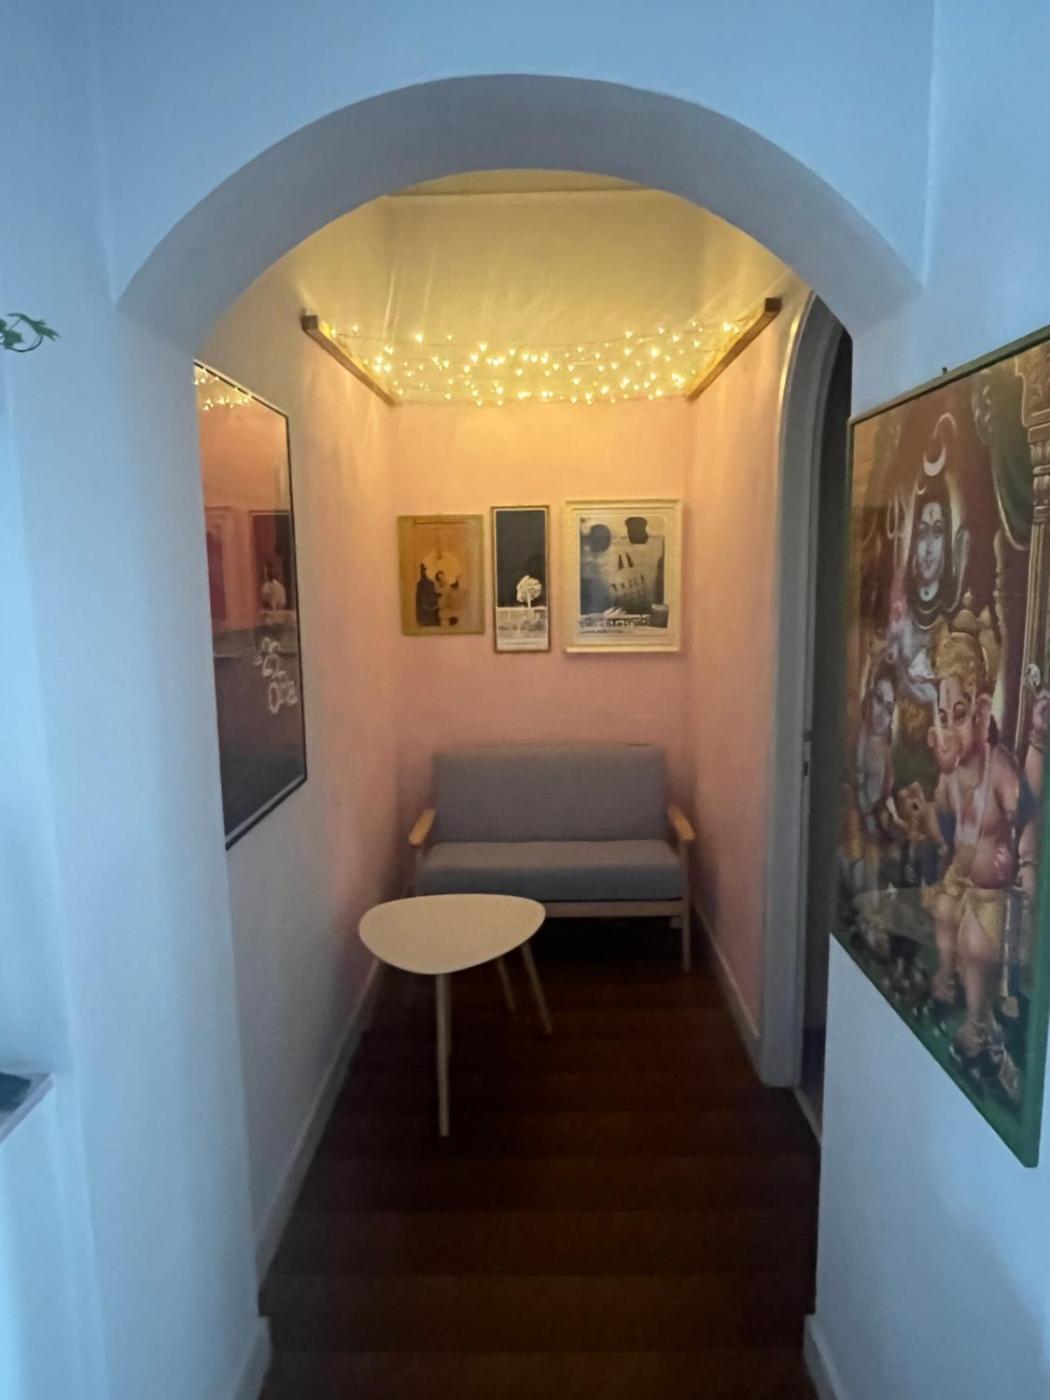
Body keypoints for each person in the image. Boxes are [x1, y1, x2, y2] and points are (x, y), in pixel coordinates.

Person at [926, 627, 1045, 1099]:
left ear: (979, 711)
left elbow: (1026, 812)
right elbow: (941, 813)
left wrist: (1028, 863)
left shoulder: (999, 768)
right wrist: (934, 835)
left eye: (958, 715)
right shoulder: (952, 773)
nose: (948, 728)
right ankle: (946, 978)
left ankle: (979, 1024)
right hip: (960, 874)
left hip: (992, 887)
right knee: (943, 912)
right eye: (942, 716)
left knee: (977, 945)